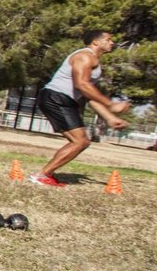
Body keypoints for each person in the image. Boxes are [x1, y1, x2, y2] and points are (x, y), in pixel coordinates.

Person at [27, 30, 130, 187]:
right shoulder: (84, 56)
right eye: (108, 40)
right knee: (80, 141)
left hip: (61, 98)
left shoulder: (94, 61)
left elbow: (88, 95)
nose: (112, 43)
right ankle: (41, 175)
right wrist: (111, 104)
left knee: (79, 141)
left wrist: (109, 117)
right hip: (57, 97)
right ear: (95, 42)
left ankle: (44, 174)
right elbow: (81, 84)